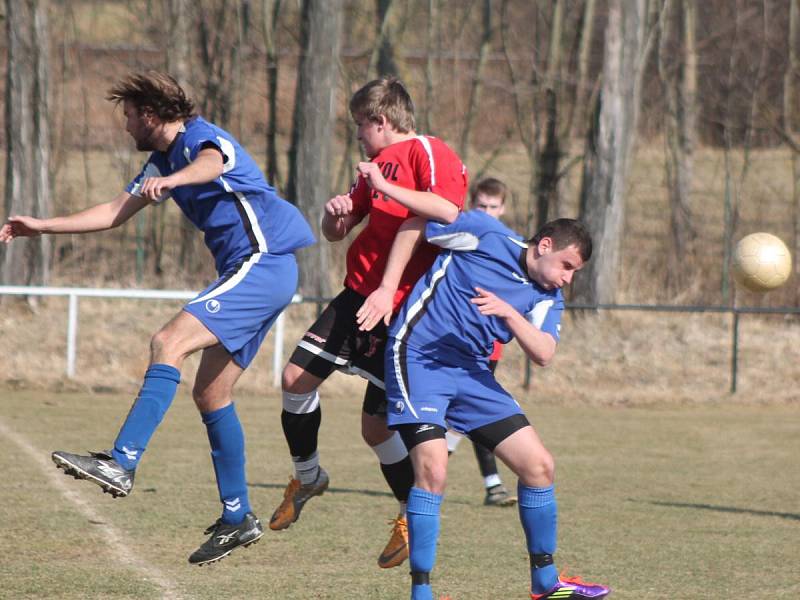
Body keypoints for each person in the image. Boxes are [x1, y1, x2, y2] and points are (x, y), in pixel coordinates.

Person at [0, 71, 316, 566]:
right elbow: (112, 211)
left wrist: (172, 180)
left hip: (264, 261)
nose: (125, 126)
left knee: (167, 342)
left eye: (128, 115)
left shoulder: (199, 140)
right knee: (211, 393)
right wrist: (41, 226)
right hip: (258, 271)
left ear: (150, 113)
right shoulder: (161, 160)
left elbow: (212, 163)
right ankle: (238, 517)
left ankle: (122, 462)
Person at [269, 76, 467, 570]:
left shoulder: (428, 151)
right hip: (359, 295)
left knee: (376, 429)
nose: (358, 134)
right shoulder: (374, 168)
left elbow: (446, 210)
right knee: (294, 379)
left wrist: (384, 185)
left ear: (382, 121)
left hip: (405, 310)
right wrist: (335, 216)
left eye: (362, 125)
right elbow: (340, 232)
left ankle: (407, 512)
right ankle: (308, 475)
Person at [357, 213, 609, 599]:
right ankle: (421, 592)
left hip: (471, 372)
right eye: (567, 265)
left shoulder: (547, 295)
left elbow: (544, 352)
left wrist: (509, 312)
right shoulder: (487, 235)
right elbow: (416, 224)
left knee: (539, 466)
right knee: (434, 468)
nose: (568, 278)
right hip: (418, 357)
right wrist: (387, 287)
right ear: (544, 246)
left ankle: (544, 581)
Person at [444, 177, 516, 507]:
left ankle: (489, 482)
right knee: (465, 410)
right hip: (453, 337)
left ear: (503, 209)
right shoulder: (459, 239)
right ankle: (491, 483)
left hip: (488, 343)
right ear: (473, 204)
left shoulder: (511, 246)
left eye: (493, 207)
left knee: (469, 409)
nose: (487, 212)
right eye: (482, 205)